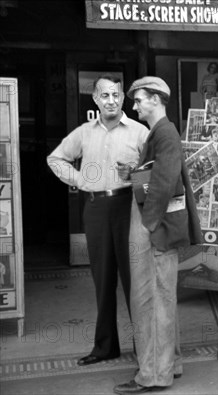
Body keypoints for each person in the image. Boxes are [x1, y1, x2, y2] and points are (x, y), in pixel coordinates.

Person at [47, 74, 149, 367]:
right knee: (103, 280)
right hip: (96, 208)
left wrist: (136, 172)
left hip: (129, 207)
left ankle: (145, 349)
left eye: (116, 95)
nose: (112, 101)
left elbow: (156, 172)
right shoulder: (83, 133)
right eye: (105, 95)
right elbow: (55, 159)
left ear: (122, 98)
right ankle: (106, 347)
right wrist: (78, 180)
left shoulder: (140, 132)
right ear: (95, 100)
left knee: (135, 281)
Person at [114, 76, 202, 394]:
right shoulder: (163, 132)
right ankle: (171, 364)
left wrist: (148, 225)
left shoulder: (163, 132)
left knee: (149, 301)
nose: (134, 105)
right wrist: (134, 173)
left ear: (156, 99)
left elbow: (164, 184)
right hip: (160, 226)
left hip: (154, 228)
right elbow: (157, 175)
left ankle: (152, 375)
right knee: (164, 298)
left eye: (138, 99)